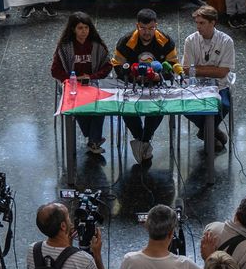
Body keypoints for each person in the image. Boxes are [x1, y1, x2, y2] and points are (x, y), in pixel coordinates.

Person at [111, 9, 182, 166]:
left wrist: (160, 75)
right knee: (126, 109)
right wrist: (132, 76)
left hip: (157, 84)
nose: (147, 32)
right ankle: (141, 138)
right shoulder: (126, 41)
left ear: (156, 25)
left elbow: (173, 64)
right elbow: (116, 64)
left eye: (151, 28)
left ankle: (144, 140)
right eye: (143, 28)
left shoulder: (166, 41)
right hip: (132, 83)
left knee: (158, 108)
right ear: (137, 26)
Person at [53, 12, 114, 157]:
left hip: (93, 83)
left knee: (101, 105)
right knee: (79, 104)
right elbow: (55, 71)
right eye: (80, 28)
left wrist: (91, 77)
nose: (83, 31)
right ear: (73, 29)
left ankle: (93, 139)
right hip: (72, 85)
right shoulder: (65, 47)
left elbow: (107, 66)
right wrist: (71, 79)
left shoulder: (96, 46)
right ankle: (93, 137)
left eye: (86, 28)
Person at [180, 5, 235, 149]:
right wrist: (212, 70)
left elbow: (223, 72)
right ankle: (211, 131)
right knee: (186, 108)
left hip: (219, 85)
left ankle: (205, 132)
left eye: (202, 23)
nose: (198, 27)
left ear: (213, 22)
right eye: (197, 23)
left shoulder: (226, 41)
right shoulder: (190, 40)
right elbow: (186, 70)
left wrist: (197, 69)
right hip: (195, 85)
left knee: (224, 105)